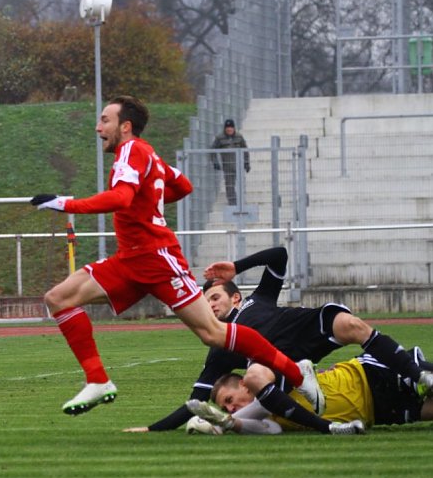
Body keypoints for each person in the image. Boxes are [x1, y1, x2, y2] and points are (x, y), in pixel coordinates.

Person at [29, 96, 322, 416]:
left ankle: (296, 372)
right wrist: (150, 200)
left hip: (157, 259)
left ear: (125, 127)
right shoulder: (148, 154)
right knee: (58, 298)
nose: (98, 127)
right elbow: (182, 186)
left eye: (105, 120)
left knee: (213, 332)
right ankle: (98, 380)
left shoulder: (132, 150)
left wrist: (65, 204)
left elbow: (122, 197)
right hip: (129, 260)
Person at [136, 246, 433, 432]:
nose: (210, 305)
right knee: (254, 374)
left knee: (351, 325)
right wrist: (152, 429)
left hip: (305, 330)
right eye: (205, 302)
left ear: (236, 297)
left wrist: (237, 266)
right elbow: (196, 399)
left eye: (215, 297)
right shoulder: (220, 345)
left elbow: (279, 255)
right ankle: (328, 427)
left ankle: (418, 376)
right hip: (284, 364)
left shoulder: (259, 299)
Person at [187, 347, 433, 435]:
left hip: (368, 376)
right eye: (225, 407)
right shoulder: (273, 415)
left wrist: (220, 423)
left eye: (229, 400)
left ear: (244, 384)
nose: (230, 408)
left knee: (428, 379)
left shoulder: (268, 378)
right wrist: (230, 424)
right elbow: (270, 430)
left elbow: (264, 403)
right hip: (376, 412)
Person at [211, 118, 249, 205]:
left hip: (239, 165)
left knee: (240, 184)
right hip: (227, 166)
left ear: (234, 128)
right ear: (225, 129)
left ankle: (241, 202)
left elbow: (245, 150)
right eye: (227, 128)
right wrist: (215, 162)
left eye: (231, 128)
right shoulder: (220, 138)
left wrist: (246, 163)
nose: (229, 130)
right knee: (229, 185)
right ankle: (232, 203)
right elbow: (213, 150)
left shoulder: (239, 137)